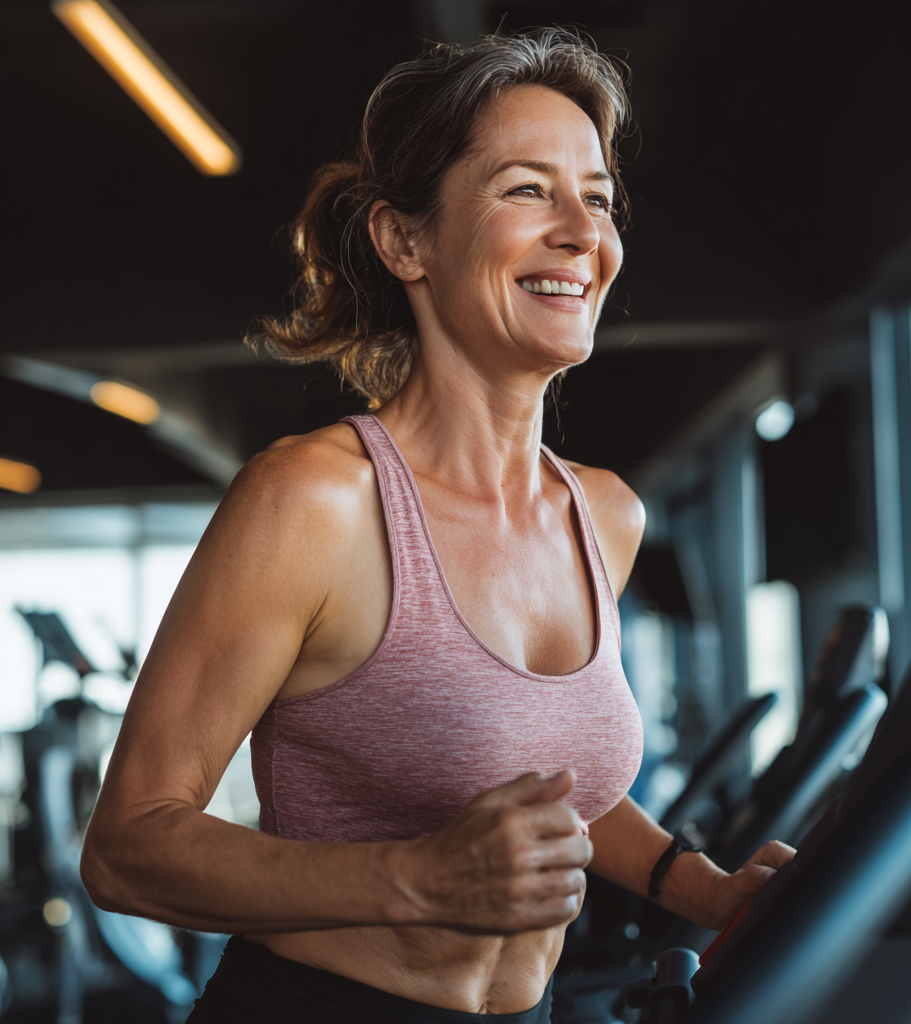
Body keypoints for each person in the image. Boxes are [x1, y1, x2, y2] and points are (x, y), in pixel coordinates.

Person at [81, 28, 794, 1023]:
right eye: (526, 190)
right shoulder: (314, 502)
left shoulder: (603, 515)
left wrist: (696, 885)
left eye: (596, 197)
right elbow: (128, 844)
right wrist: (418, 880)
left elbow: (559, 785)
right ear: (403, 239)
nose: (581, 231)